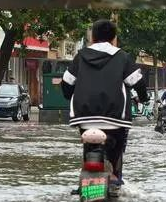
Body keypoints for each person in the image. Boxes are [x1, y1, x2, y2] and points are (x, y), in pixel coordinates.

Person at [62, 19, 148, 187]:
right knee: (117, 147)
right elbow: (138, 83)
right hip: (115, 119)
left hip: (84, 118)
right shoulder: (122, 57)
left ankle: (87, 179)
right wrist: (144, 98)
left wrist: (72, 96)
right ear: (114, 38)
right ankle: (115, 176)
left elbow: (66, 84)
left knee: (87, 146)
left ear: (93, 37)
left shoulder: (80, 56)